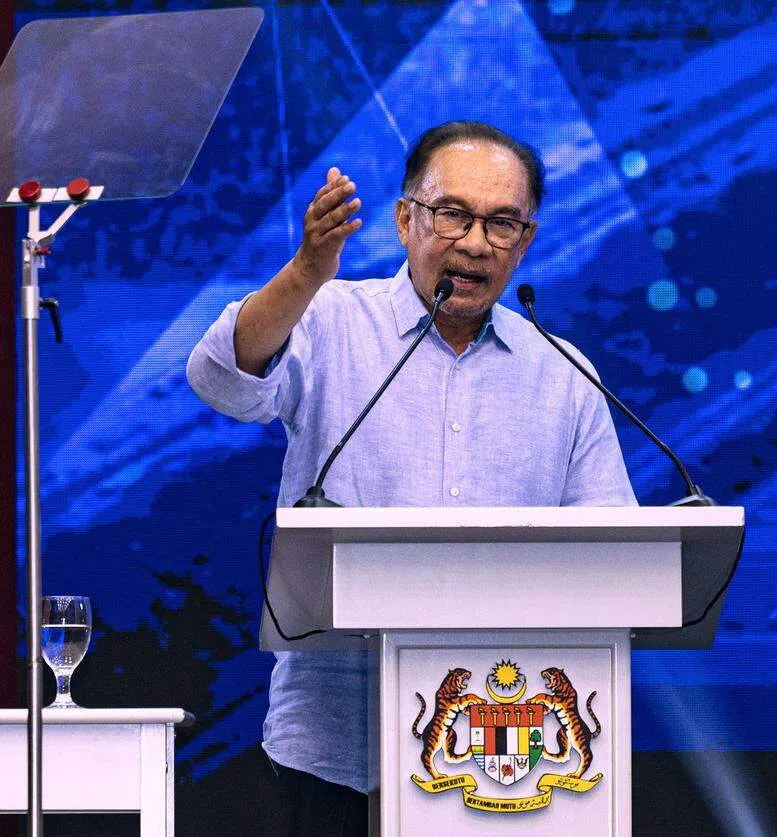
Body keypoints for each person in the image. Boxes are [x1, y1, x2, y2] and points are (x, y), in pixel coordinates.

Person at [186, 121, 635, 836]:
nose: (476, 242)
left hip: (504, 760)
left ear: (524, 242)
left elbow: (616, 558)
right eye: (453, 213)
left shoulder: (565, 373)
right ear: (405, 220)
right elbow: (219, 378)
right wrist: (306, 271)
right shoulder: (330, 319)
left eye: (502, 223)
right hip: (336, 751)